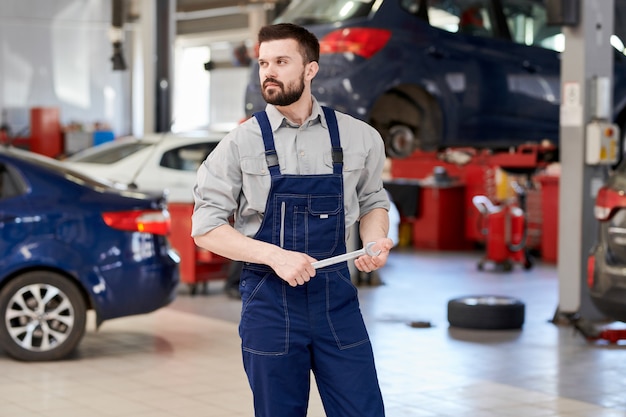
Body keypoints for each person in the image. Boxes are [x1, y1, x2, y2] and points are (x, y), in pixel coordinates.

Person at [191, 22, 392, 417]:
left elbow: (372, 202)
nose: (269, 71)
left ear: (310, 69)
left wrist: (375, 241)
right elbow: (206, 227)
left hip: (337, 302)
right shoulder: (239, 143)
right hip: (270, 303)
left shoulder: (360, 137)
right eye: (264, 62)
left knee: (363, 409)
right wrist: (275, 256)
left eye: (282, 61)